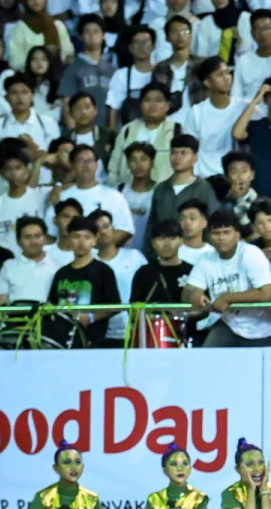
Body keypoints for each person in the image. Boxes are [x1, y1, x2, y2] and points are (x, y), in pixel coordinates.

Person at [182, 209, 271, 348]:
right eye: (216, 233)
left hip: (264, 329)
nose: (221, 237)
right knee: (206, 361)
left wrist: (226, 298)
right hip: (230, 325)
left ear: (237, 235)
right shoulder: (206, 260)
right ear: (209, 236)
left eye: (226, 232)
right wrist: (195, 295)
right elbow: (188, 291)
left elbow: (266, 293)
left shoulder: (250, 253)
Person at [45, 215, 120, 348]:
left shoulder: (103, 271)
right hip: (61, 341)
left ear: (95, 240)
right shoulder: (61, 273)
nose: (81, 242)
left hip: (93, 341)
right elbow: (52, 305)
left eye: (87, 237)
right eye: (76, 236)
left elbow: (115, 306)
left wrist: (90, 318)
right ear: (69, 239)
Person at [175, 57, 250, 178]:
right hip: (203, 176)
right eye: (220, 75)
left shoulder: (244, 107)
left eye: (227, 73)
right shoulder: (197, 112)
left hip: (233, 178)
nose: (227, 78)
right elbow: (190, 149)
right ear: (207, 82)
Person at [143, 133, 218, 250]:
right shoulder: (161, 189)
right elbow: (152, 225)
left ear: (195, 157)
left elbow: (212, 224)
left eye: (183, 153)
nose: (177, 157)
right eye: (174, 152)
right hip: (163, 254)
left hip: (194, 253)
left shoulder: (203, 188)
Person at [90, 207, 146, 347]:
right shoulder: (89, 263)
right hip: (100, 332)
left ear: (113, 228)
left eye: (106, 226)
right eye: (98, 228)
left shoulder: (134, 257)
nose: (103, 231)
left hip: (134, 329)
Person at [107, 82, 177, 187]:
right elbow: (114, 168)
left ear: (167, 105)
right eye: (147, 100)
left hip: (164, 196)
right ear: (141, 105)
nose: (153, 105)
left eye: (158, 100)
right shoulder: (128, 130)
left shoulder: (177, 130)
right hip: (128, 193)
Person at [59, 15, 115, 129]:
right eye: (87, 32)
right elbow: (67, 104)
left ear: (103, 35)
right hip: (81, 132)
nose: (92, 36)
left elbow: (114, 107)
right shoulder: (73, 68)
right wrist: (73, 134)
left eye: (96, 31)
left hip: (105, 133)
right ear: (80, 36)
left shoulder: (112, 70)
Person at [0, 216, 60, 304]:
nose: (33, 241)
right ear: (18, 242)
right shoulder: (9, 266)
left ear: (45, 238)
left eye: (37, 236)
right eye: (27, 237)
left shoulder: (57, 268)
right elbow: (1, 304)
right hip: (14, 317)